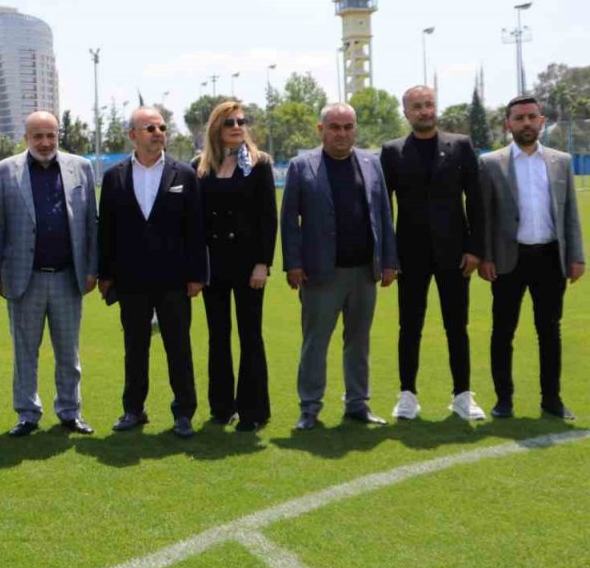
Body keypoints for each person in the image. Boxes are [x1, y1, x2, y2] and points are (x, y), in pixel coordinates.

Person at [281, 102, 398, 430]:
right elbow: (289, 220)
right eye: (335, 127)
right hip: (321, 272)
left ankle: (358, 404)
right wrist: (293, 264)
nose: (342, 133)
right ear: (321, 130)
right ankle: (310, 408)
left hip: (364, 271)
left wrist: (389, 260)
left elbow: (384, 215)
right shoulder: (301, 166)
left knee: (359, 341)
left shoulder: (371, 163)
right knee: (316, 342)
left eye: (348, 127)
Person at [98, 106, 207, 438]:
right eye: (150, 128)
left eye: (162, 127)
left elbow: (195, 229)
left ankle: (184, 413)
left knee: (178, 347)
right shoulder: (114, 176)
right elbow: (107, 231)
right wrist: (105, 273)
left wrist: (197, 275)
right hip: (130, 280)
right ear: (132, 135)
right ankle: (133, 409)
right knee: (135, 348)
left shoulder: (184, 174)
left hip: (174, 279)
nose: (158, 132)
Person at [380, 85, 486, 421]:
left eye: (429, 105)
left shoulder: (461, 146)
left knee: (457, 326)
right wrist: (389, 256)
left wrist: (474, 248)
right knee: (409, 326)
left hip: (455, 255)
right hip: (409, 257)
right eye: (417, 107)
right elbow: (383, 209)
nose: (425, 111)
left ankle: (462, 396)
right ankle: (407, 395)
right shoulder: (392, 151)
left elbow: (477, 201)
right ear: (406, 113)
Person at [0, 111, 98, 437]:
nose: (45, 142)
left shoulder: (81, 167)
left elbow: (92, 223)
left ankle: (70, 411)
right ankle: (27, 413)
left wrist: (92, 268)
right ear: (26, 137)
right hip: (26, 278)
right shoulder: (5, 171)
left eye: (51, 135)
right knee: (25, 353)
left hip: (68, 277)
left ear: (58, 135)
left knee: (69, 353)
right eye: (38, 136)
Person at [479, 95, 584, 419]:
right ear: (507, 124)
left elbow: (570, 216)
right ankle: (504, 400)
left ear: (542, 121)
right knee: (503, 332)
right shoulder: (491, 163)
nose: (526, 123)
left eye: (531, 117)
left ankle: (551, 399)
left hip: (551, 258)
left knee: (550, 331)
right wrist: (486, 256)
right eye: (519, 118)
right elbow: (484, 216)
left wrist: (576, 256)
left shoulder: (560, 161)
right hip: (509, 260)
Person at [194, 100, 277, 433]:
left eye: (242, 121)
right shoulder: (200, 167)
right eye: (230, 122)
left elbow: (268, 219)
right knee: (218, 336)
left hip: (248, 265)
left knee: (250, 335)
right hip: (214, 265)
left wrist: (263, 264)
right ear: (217, 127)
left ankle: (253, 410)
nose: (237, 126)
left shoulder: (260, 165)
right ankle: (221, 406)